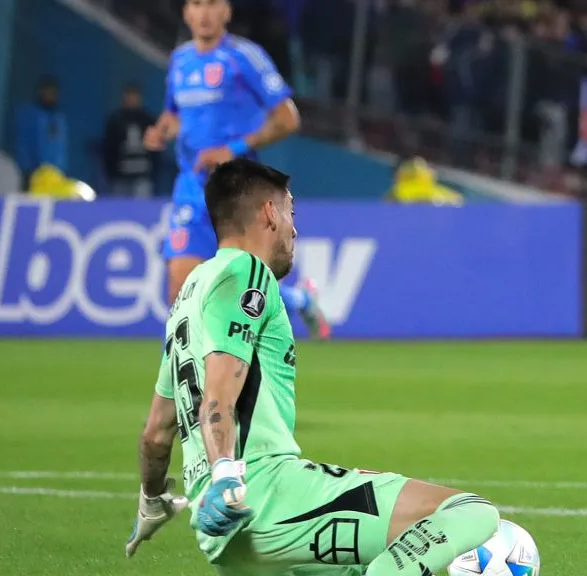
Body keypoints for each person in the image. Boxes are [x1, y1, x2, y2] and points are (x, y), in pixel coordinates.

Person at [124, 159, 500, 575]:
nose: (294, 229)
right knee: (471, 513)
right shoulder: (248, 271)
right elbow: (218, 396)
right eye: (291, 213)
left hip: (226, 538)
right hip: (264, 495)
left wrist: (152, 501)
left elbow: (156, 433)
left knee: (374, 566)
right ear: (269, 212)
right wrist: (226, 474)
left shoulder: (187, 298)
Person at [144, 0, 329, 338]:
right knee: (180, 287)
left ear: (227, 11)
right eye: (196, 4)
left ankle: (298, 299)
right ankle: (191, 383)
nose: (204, 13)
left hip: (237, 187)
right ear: (186, 12)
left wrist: (233, 149)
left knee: (241, 286)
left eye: (213, 4)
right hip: (191, 186)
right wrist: (161, 130)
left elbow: (287, 119)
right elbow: (173, 114)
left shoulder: (244, 57)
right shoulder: (180, 60)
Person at [103, 83, 156, 198]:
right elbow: (109, 149)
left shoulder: (147, 120)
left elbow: (156, 150)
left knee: (142, 211)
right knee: (119, 213)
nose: (132, 100)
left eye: (135, 96)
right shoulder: (115, 120)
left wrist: (152, 171)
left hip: (142, 175)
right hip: (120, 176)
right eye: (129, 96)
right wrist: (112, 172)